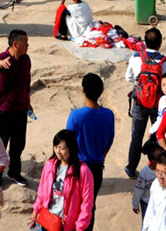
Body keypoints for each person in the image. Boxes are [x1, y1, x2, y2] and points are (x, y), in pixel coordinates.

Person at [124, 28, 166, 179]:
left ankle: (131, 168)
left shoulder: (135, 57)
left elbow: (129, 77)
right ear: (160, 43)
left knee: (136, 136)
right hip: (158, 103)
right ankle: (159, 168)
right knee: (159, 135)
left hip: (139, 101)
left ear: (145, 43)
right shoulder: (165, 61)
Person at [66, 72, 114, 230]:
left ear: (83, 90)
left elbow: (68, 143)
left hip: (78, 168)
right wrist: (101, 157)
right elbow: (109, 141)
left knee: (72, 206)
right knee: (89, 207)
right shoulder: (108, 115)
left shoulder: (76, 116)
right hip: (97, 168)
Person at [29, 129, 94, 231]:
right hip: (47, 220)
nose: (58, 151)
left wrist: (80, 227)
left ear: (71, 148)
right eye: (55, 147)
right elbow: (41, 191)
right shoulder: (50, 165)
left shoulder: (83, 171)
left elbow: (87, 203)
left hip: (67, 225)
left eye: (62, 148)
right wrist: (34, 215)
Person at [0, 29, 32, 186]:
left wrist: (28, 102)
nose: (27, 45)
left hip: (20, 110)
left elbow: (27, 82)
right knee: (0, 145)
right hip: (4, 111)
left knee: (18, 145)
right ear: (16, 44)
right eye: (25, 42)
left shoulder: (26, 59)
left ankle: (14, 173)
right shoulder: (3, 58)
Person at [132, 141, 163, 222]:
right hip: (147, 203)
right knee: (147, 223)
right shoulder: (144, 173)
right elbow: (138, 190)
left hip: (161, 202)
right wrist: (135, 204)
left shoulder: (164, 171)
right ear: (153, 162)